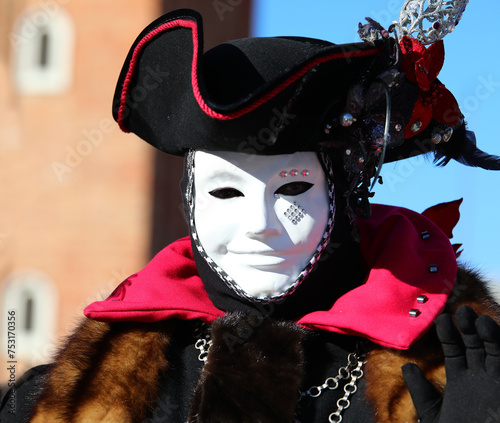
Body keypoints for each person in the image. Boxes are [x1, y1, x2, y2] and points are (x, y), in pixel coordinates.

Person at [2, 4, 500, 422]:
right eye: (225, 194)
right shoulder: (70, 396)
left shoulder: (454, 362)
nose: (259, 224)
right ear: (191, 204)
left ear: (343, 198)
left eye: (293, 189)